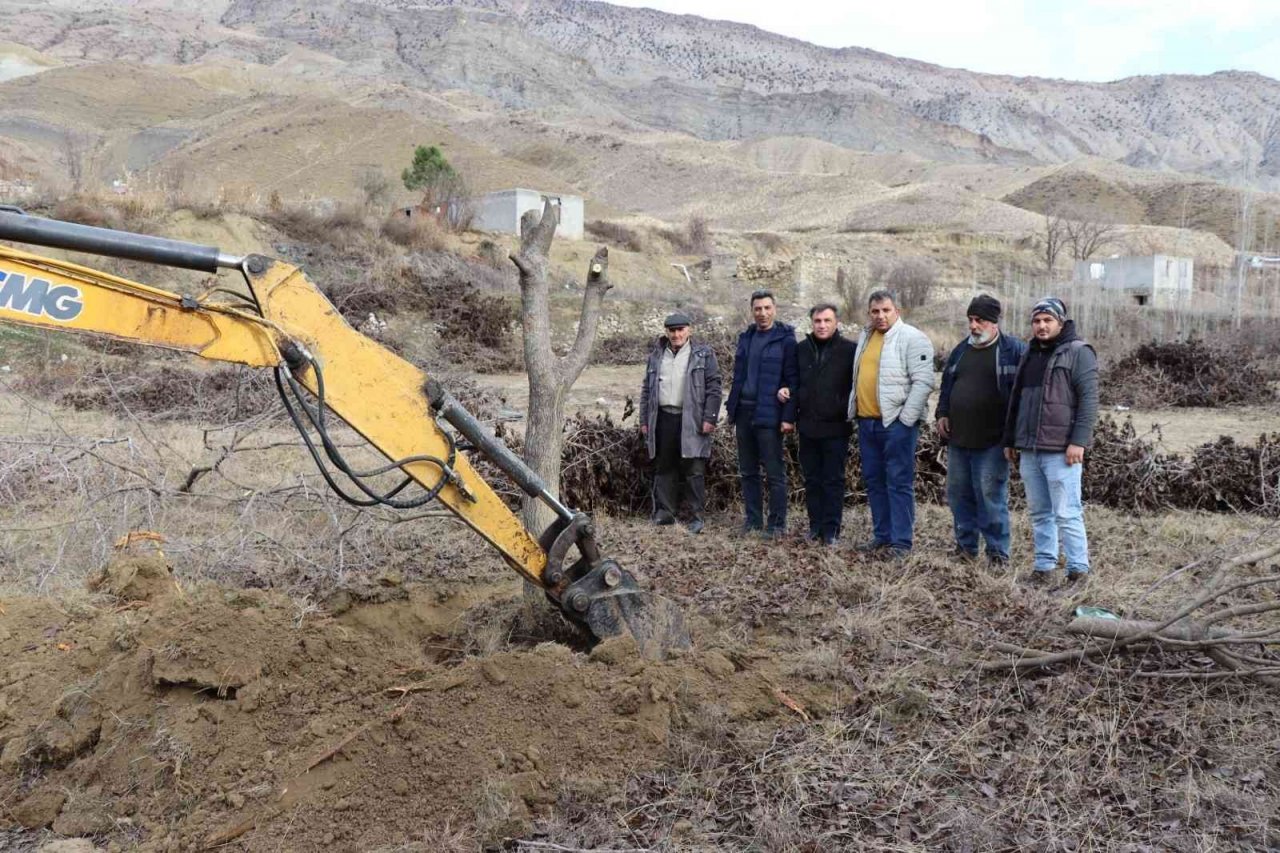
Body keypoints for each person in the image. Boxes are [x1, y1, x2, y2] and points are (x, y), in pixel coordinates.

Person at [1003, 297, 1099, 586]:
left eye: (1047, 320)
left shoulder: (1079, 352)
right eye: (1037, 321)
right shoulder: (1030, 353)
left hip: (1061, 450)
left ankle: (1078, 571)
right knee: (1039, 512)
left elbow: (1089, 401)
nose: (1041, 326)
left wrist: (1078, 442)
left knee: (1067, 512)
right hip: (1030, 449)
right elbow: (1016, 401)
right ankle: (1044, 567)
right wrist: (1010, 439)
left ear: (1060, 321)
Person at [935, 294, 1027, 566]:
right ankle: (966, 548)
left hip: (993, 442)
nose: (974, 326)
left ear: (994, 323)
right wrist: (942, 413)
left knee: (990, 496)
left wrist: (1014, 436)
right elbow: (946, 386)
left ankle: (998, 553)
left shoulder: (1014, 350)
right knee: (959, 495)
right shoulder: (961, 350)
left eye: (980, 320)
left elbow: (1022, 396)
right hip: (959, 440)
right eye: (971, 320)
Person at [845, 289, 935, 559]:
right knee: (874, 481)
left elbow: (924, 382)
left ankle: (901, 543)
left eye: (886, 310)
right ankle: (882, 536)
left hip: (896, 424)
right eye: (875, 311)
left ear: (897, 311)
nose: (880, 316)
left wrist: (905, 420)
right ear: (869, 313)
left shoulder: (913, 338)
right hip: (867, 422)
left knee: (898, 482)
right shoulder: (866, 336)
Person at [639, 312, 722, 534]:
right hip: (663, 418)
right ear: (666, 332)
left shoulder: (703, 355)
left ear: (689, 330)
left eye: (680, 330)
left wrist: (710, 418)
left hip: (692, 419)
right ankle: (665, 513)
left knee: (693, 468)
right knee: (664, 466)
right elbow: (647, 390)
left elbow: (714, 387)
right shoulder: (656, 356)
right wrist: (644, 420)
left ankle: (695, 517)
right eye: (672, 330)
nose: (676, 334)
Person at [725, 290, 797, 538]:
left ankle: (777, 524)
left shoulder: (786, 339)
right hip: (744, 412)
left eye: (767, 308)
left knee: (774, 472)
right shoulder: (746, 338)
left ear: (774, 309)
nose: (763, 313)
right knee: (748, 471)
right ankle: (753, 520)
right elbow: (738, 377)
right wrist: (731, 409)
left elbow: (792, 380)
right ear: (752, 311)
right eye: (758, 309)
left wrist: (788, 416)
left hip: (770, 414)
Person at [786, 302, 855, 544]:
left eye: (827, 320)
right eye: (818, 321)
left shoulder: (850, 350)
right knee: (812, 479)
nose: (822, 325)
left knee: (833, 480)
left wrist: (842, 407)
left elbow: (856, 386)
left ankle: (831, 531)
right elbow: (793, 382)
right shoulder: (802, 349)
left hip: (836, 427)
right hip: (807, 426)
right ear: (811, 322)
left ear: (836, 323)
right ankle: (815, 527)